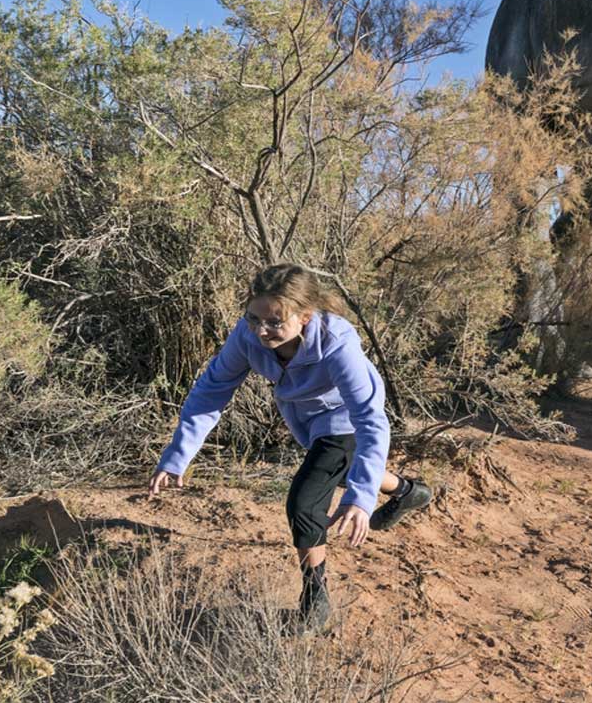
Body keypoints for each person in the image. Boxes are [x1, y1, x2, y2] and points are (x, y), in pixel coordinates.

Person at [149, 263, 432, 629]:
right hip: (308, 421)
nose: (261, 331)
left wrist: (360, 500)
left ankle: (315, 600)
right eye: (253, 318)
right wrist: (178, 455)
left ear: (304, 317)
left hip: (346, 418)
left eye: (274, 322)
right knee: (337, 468)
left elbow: (369, 420)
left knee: (305, 500)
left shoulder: (337, 345)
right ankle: (408, 492)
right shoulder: (248, 335)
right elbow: (212, 390)